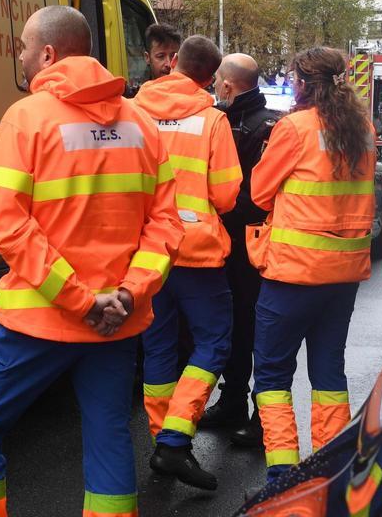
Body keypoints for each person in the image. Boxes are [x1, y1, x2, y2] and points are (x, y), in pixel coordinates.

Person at [0, 5, 183, 517]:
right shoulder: (141, 122)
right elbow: (166, 227)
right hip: (115, 322)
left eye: (24, 48)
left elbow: (11, 228)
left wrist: (77, 299)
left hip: (41, 319)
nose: (22, 57)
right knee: (109, 435)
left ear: (48, 53)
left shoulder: (25, 118)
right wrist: (125, 294)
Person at [248, 47, 377, 480]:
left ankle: (282, 477)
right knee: (328, 373)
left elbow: (260, 193)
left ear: (302, 84)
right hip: (343, 276)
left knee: (270, 376)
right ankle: (328, 469)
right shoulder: (363, 129)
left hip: (293, 273)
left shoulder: (294, 129)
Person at [132, 36, 241, 490]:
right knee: (213, 342)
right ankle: (175, 439)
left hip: (146, 252)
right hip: (196, 252)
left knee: (157, 347)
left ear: (173, 63)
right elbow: (227, 195)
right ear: (210, 77)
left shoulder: (133, 109)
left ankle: (164, 443)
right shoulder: (213, 120)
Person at [199, 53, 283, 447]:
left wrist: (217, 210)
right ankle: (233, 402)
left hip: (241, 241)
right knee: (238, 325)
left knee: (248, 326)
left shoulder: (245, 126)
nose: (215, 86)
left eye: (217, 81)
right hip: (246, 241)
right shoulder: (263, 122)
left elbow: (253, 193)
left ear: (228, 86)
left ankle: (251, 411)